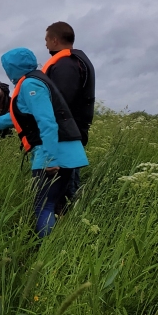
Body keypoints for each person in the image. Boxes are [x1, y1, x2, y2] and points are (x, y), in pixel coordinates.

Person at [0, 48, 88, 238]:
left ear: (13, 67)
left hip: (52, 153)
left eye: (7, 67)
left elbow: (47, 122)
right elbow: (20, 115)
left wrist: (49, 159)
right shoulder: (37, 80)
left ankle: (44, 250)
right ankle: (60, 246)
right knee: (56, 204)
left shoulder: (30, 84)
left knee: (44, 206)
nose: (7, 71)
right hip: (66, 152)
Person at [42, 22, 96, 201]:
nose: (46, 44)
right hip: (69, 134)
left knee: (63, 193)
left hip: (64, 137)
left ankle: (66, 224)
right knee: (65, 188)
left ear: (55, 40)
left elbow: (59, 102)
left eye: (47, 40)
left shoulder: (66, 65)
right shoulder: (73, 61)